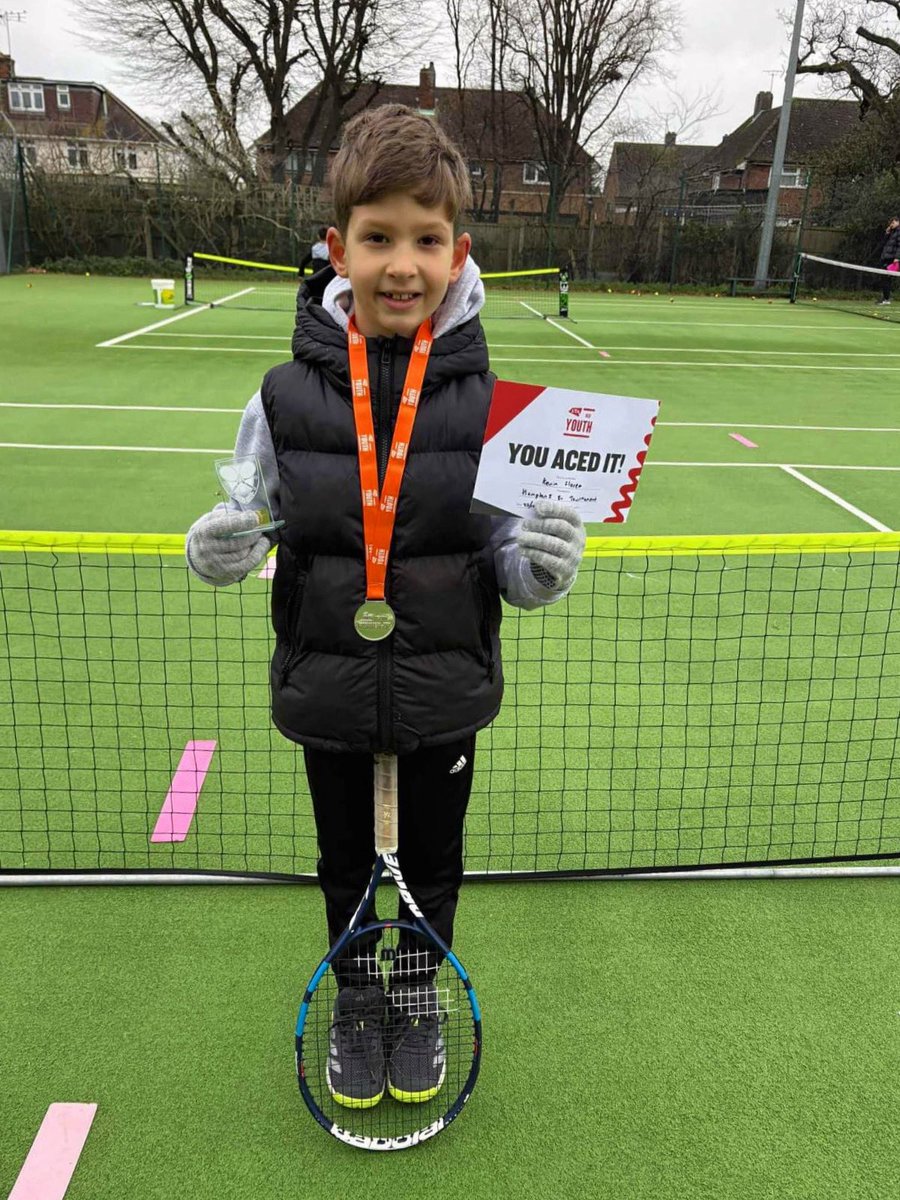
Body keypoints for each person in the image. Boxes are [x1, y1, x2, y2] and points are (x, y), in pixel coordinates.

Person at [185, 104, 585, 1109]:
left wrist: (538, 567)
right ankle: (357, 1000)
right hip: (327, 681)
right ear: (338, 248)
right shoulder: (281, 395)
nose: (401, 264)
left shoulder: (500, 402)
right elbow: (251, 515)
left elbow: (502, 553)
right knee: (343, 863)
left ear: (458, 254)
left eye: (425, 238)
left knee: (435, 867)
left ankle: (418, 994)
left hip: (445, 684)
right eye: (377, 237)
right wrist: (217, 549)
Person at [877, 216, 900, 305]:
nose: (891, 225)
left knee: (886, 278)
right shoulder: (892, 232)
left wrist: (897, 258)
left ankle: (886, 299)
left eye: (893, 223)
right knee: (884, 278)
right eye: (890, 223)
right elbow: (884, 243)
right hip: (885, 258)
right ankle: (886, 297)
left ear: (898, 222)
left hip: (892, 259)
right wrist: (887, 233)